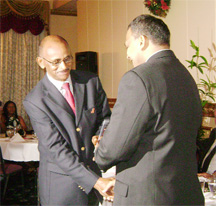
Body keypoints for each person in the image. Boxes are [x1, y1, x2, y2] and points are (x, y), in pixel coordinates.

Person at [94, 14, 204, 205]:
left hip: (148, 196)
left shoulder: (138, 78)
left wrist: (100, 150)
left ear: (142, 41)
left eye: (128, 45)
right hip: (185, 193)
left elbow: (115, 147)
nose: (127, 54)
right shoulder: (187, 77)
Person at [23, 35, 113, 205]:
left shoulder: (90, 82)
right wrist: (95, 181)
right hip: (61, 187)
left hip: (93, 180)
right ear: (41, 62)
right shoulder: (35, 100)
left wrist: (101, 135)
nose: (64, 66)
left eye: (67, 59)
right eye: (56, 62)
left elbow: (105, 118)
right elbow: (55, 148)